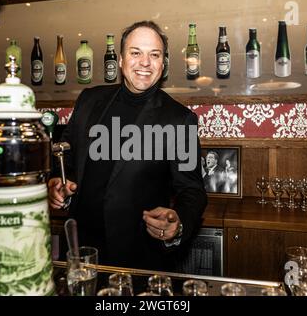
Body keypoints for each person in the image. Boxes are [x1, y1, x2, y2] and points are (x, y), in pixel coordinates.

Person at [48, 20, 207, 271]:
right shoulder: (89, 100)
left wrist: (178, 224)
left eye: (154, 55)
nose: (145, 62)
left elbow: (192, 190)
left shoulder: (180, 119)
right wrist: (57, 180)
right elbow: (65, 153)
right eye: (136, 53)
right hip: (82, 252)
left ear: (162, 64)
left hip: (139, 258)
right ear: (121, 60)